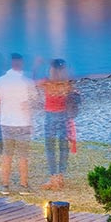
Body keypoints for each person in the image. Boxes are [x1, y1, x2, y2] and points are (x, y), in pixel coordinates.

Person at [0, 53, 35, 193]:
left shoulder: (1, 80)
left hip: (7, 122)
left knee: (7, 155)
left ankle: (5, 185)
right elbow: (32, 100)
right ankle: (23, 185)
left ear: (10, 64)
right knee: (23, 156)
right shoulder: (27, 81)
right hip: (23, 122)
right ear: (21, 63)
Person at [41, 58, 73, 190]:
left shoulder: (47, 82)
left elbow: (32, 82)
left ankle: (54, 177)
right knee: (63, 147)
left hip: (50, 116)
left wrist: (36, 66)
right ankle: (60, 177)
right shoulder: (67, 84)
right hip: (64, 115)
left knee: (50, 147)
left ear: (52, 69)